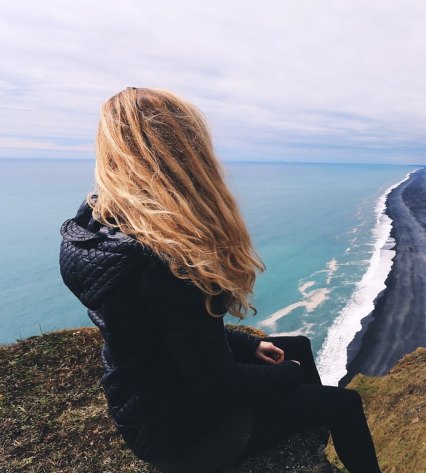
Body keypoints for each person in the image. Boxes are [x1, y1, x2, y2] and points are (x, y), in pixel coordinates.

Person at [59, 87, 382, 473]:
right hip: (189, 438)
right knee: (343, 403)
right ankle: (313, 437)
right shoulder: (167, 259)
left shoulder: (97, 231)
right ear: (185, 155)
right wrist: (290, 375)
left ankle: (308, 429)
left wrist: (246, 345)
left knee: (295, 343)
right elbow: (217, 386)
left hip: (145, 409)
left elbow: (161, 329)